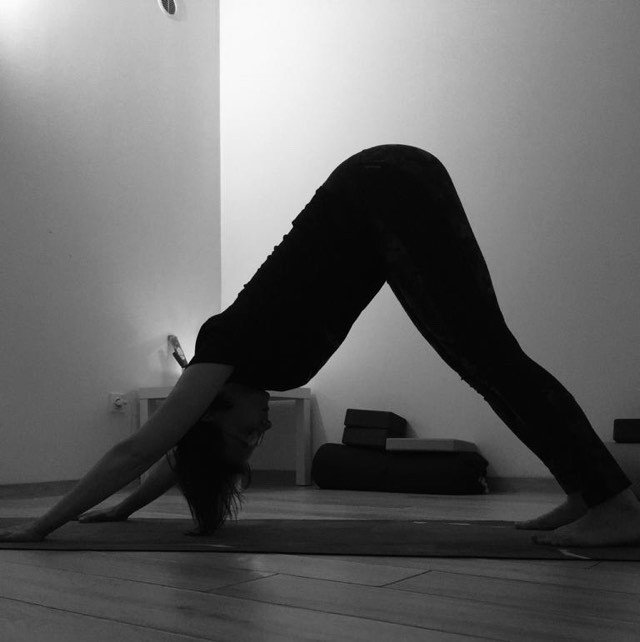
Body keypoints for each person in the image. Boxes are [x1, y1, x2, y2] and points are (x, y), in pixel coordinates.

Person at [2, 144, 640, 548]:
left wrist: (42, 525)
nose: (261, 430)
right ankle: (588, 491)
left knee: (489, 357)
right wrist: (124, 512)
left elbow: (142, 446)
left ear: (214, 410)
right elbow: (179, 455)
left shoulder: (223, 344)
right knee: (487, 358)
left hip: (381, 189)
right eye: (256, 440)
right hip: (386, 193)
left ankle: (612, 502)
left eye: (244, 433)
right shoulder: (240, 374)